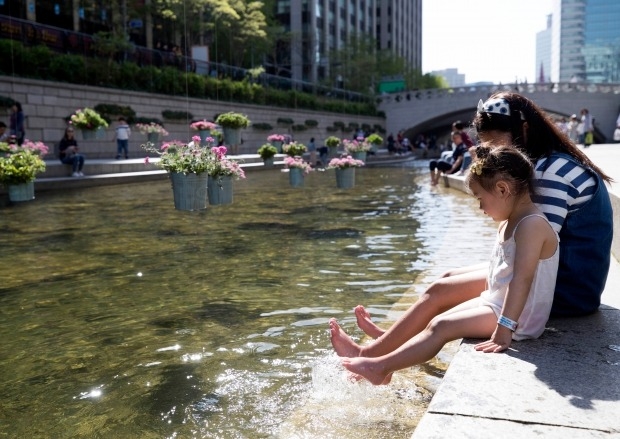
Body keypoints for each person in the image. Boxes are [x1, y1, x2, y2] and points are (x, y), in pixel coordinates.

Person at [343, 92, 612, 369]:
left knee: (442, 295)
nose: (492, 156)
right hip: (563, 278)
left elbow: (533, 260)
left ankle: (377, 352)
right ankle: (387, 344)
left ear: (524, 131)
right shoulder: (546, 163)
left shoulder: (552, 171)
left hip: (568, 290)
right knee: (445, 280)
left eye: (495, 145)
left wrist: (505, 322)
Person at [330, 144, 560, 385]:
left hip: (519, 318)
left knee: (441, 326)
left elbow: (521, 279)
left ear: (503, 189)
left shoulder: (531, 225)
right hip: (497, 303)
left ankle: (381, 367)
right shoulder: (512, 219)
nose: (481, 208)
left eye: (481, 199)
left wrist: (505, 327)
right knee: (436, 320)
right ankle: (385, 351)